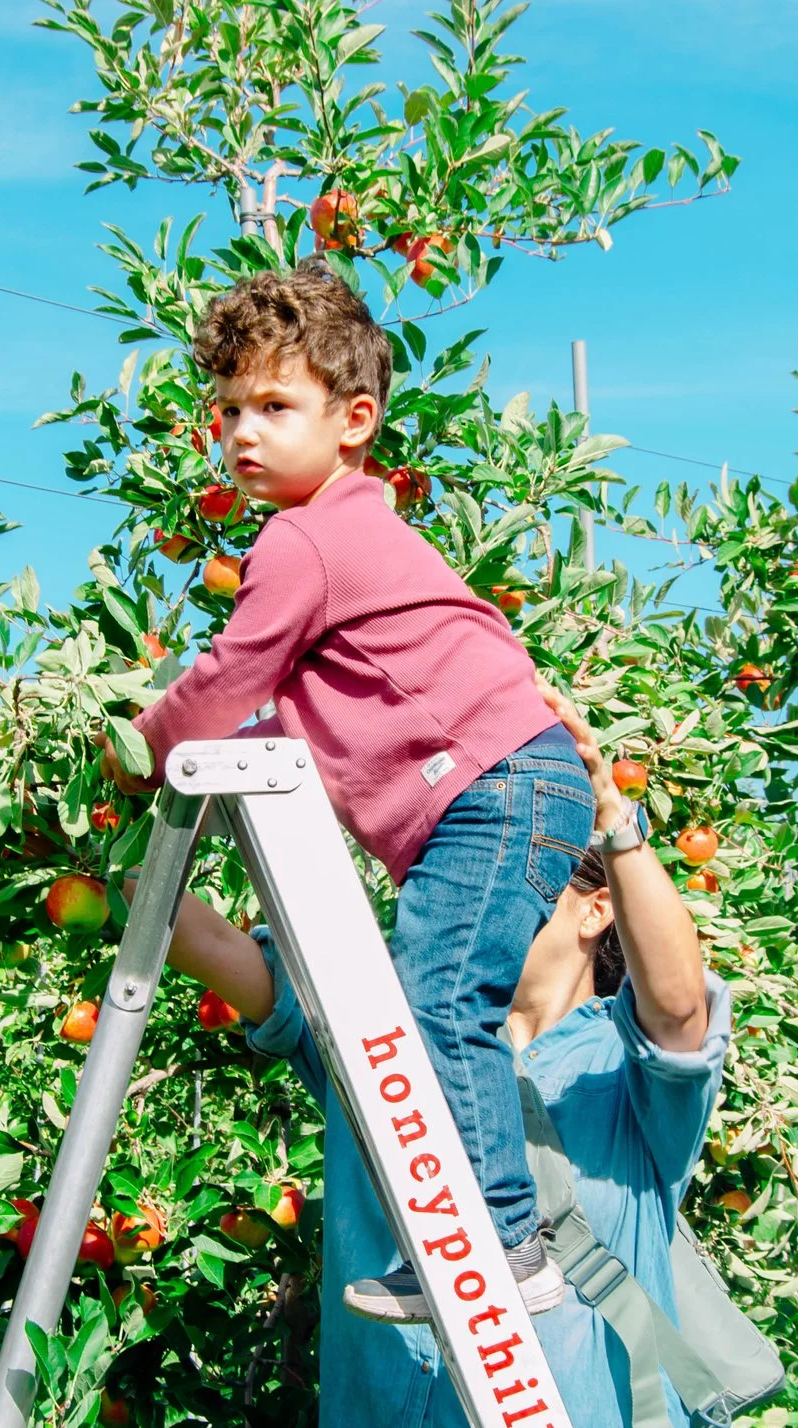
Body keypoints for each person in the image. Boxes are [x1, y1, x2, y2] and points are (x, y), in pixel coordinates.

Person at [156, 690, 732, 1428]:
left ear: (594, 906)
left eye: (515, 878)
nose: (470, 900)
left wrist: (609, 817)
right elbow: (207, 943)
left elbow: (680, 1007)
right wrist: (138, 782)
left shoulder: (616, 1071)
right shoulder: (378, 1040)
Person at [106, 258, 590, 1321]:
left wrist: (137, 749)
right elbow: (291, 721)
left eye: (275, 406)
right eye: (228, 408)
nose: (241, 431)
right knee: (438, 1003)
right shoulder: (348, 533)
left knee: (436, 1004)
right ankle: (486, 1234)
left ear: (354, 418)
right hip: (510, 783)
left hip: (496, 787)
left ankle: (501, 1238)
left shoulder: (302, 539)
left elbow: (230, 675)